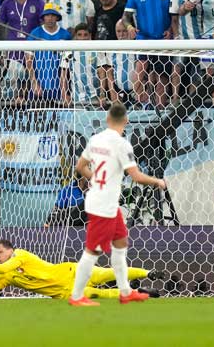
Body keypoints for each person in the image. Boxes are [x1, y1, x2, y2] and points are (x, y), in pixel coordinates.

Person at [68, 102, 166, 306]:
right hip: (103, 205)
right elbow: (136, 176)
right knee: (92, 250)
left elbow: (80, 166)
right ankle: (76, 296)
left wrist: (94, 178)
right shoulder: (122, 144)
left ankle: (125, 291)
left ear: (107, 119)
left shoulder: (95, 139)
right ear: (126, 120)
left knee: (120, 244)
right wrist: (157, 181)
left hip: (105, 202)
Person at [0, 239, 162, 299]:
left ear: (10, 250)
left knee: (109, 273)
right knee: (101, 293)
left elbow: (6, 266)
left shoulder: (21, 255)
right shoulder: (8, 276)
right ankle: (140, 292)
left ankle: (149, 273)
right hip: (65, 292)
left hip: (70, 271)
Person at [122, 0, 174, 108]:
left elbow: (175, 16)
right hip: (143, 38)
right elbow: (125, 17)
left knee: (162, 75)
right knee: (141, 68)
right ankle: (139, 103)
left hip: (163, 40)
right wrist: (130, 26)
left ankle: (160, 105)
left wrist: (170, 29)